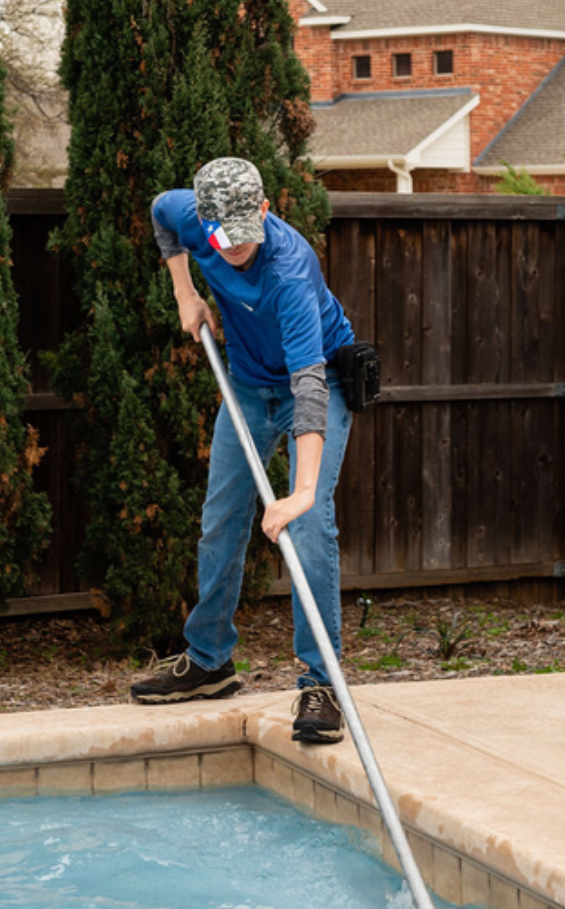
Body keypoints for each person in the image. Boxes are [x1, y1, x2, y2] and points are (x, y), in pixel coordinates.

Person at [130, 157, 355, 744]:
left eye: (242, 232)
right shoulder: (190, 217)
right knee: (220, 518)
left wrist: (300, 493)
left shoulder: (290, 270)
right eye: (219, 234)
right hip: (250, 386)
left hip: (318, 381)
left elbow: (310, 385)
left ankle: (322, 682)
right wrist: (185, 293)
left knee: (310, 526)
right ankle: (209, 661)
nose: (231, 246)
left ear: (264, 209)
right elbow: (160, 213)